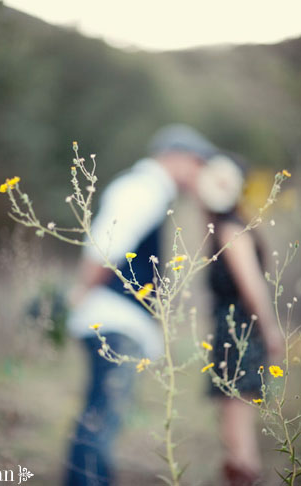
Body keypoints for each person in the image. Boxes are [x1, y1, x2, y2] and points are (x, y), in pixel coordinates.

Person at [65, 124, 218, 486]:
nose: (199, 171)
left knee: (99, 417)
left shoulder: (151, 190)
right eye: (197, 162)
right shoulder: (143, 188)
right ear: (174, 157)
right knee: (102, 419)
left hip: (117, 319)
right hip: (116, 321)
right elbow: (104, 248)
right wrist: (81, 293)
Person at [197, 154, 284, 486]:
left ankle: (245, 477)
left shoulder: (230, 230)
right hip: (236, 330)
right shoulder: (228, 228)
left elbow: (253, 288)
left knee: (236, 427)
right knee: (235, 422)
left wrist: (271, 330)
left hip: (239, 332)